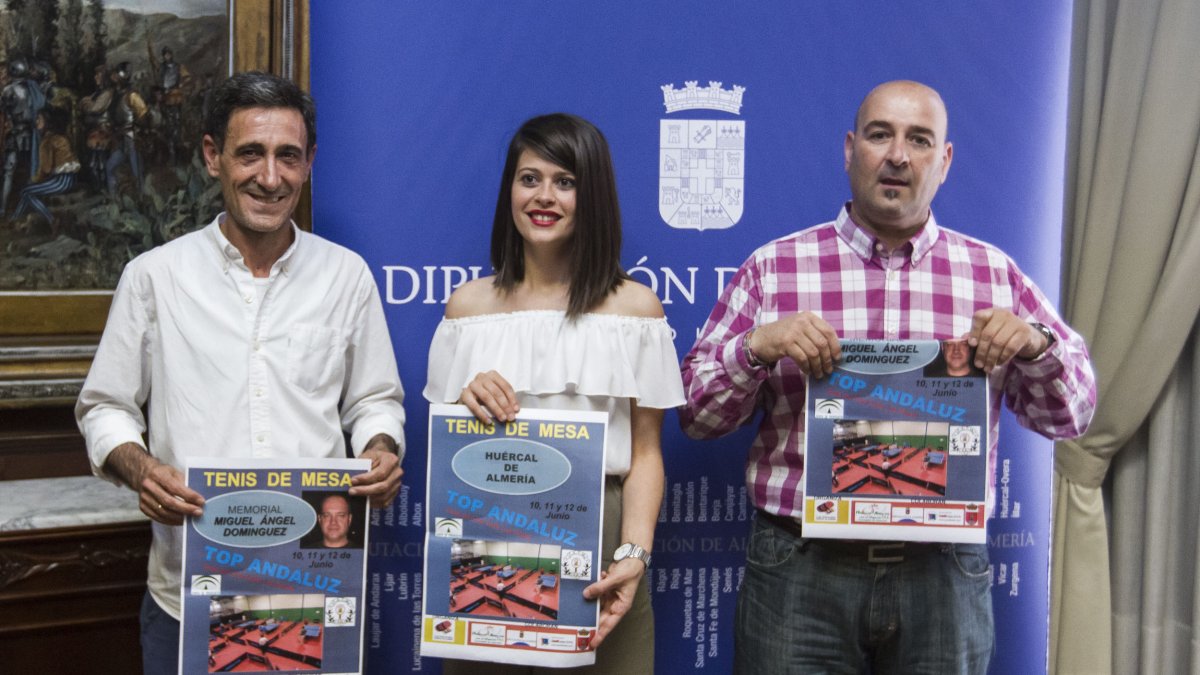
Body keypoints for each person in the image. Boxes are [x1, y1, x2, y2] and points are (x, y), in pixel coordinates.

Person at [680, 80, 1097, 674]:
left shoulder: (994, 275)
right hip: (800, 569)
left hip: (943, 572)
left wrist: (1037, 346)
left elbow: (1073, 416)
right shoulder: (774, 269)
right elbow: (695, 416)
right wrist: (756, 347)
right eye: (881, 135)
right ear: (850, 150)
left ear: (944, 161)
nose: (898, 155)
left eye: (919, 140)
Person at [75, 71, 406, 675]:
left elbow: (374, 401)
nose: (270, 178)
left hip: (313, 593)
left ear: (309, 164)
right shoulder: (154, 277)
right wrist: (141, 468)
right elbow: (105, 406)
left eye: (288, 156)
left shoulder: (347, 276)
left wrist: (380, 449)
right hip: (186, 598)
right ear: (213, 157)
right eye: (250, 153)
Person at [425, 113, 684, 673]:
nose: (544, 196)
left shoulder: (636, 309)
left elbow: (645, 454)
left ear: (593, 196)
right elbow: (448, 462)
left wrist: (633, 554)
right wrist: (466, 404)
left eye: (565, 182)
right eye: (529, 179)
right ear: (510, 191)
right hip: (487, 534)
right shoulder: (466, 309)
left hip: (603, 543)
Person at [12, 108, 80, 234]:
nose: (36, 121)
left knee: (26, 191)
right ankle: (15, 218)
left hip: (61, 181)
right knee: (27, 191)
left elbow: (46, 169)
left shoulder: (47, 141)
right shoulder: (60, 137)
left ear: (47, 122)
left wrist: (34, 180)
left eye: (39, 119)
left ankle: (51, 220)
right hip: (70, 178)